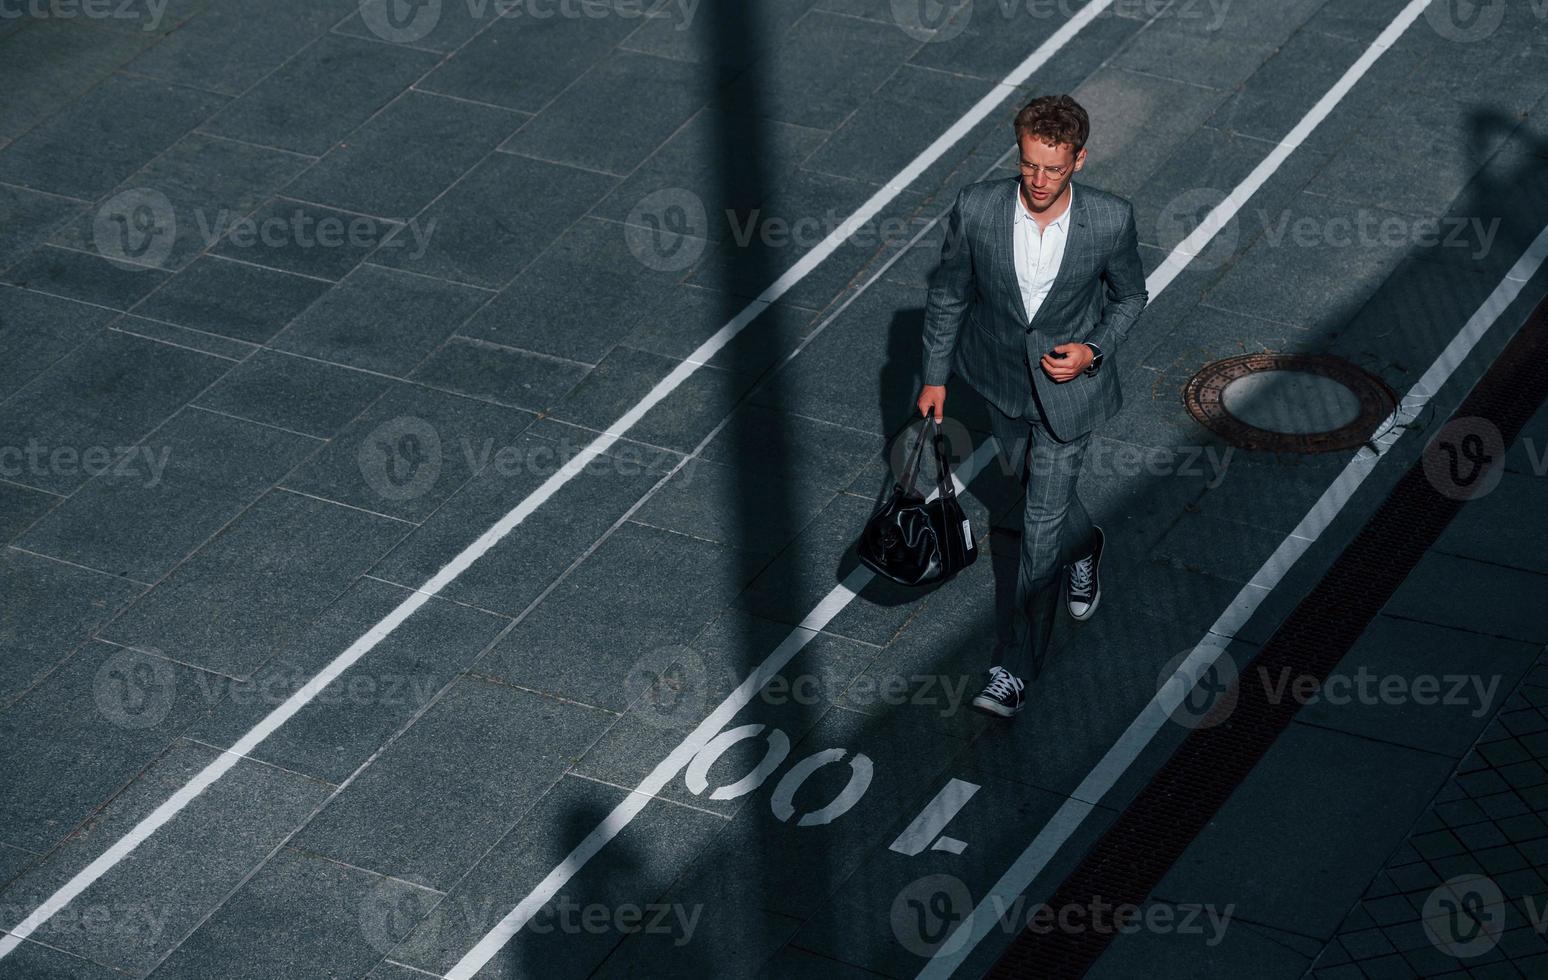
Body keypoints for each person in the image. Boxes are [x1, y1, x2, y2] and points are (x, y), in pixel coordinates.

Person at [915, 94, 1148, 718]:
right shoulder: (977, 207)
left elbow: (1130, 298)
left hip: (1071, 394)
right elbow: (948, 296)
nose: (1039, 181)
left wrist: (1092, 350)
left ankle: (1013, 668)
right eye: (1029, 166)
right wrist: (935, 376)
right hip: (1000, 385)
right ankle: (1088, 545)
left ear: (1079, 159)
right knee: (1028, 493)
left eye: (1054, 168)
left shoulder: (1109, 220)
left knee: (1036, 530)